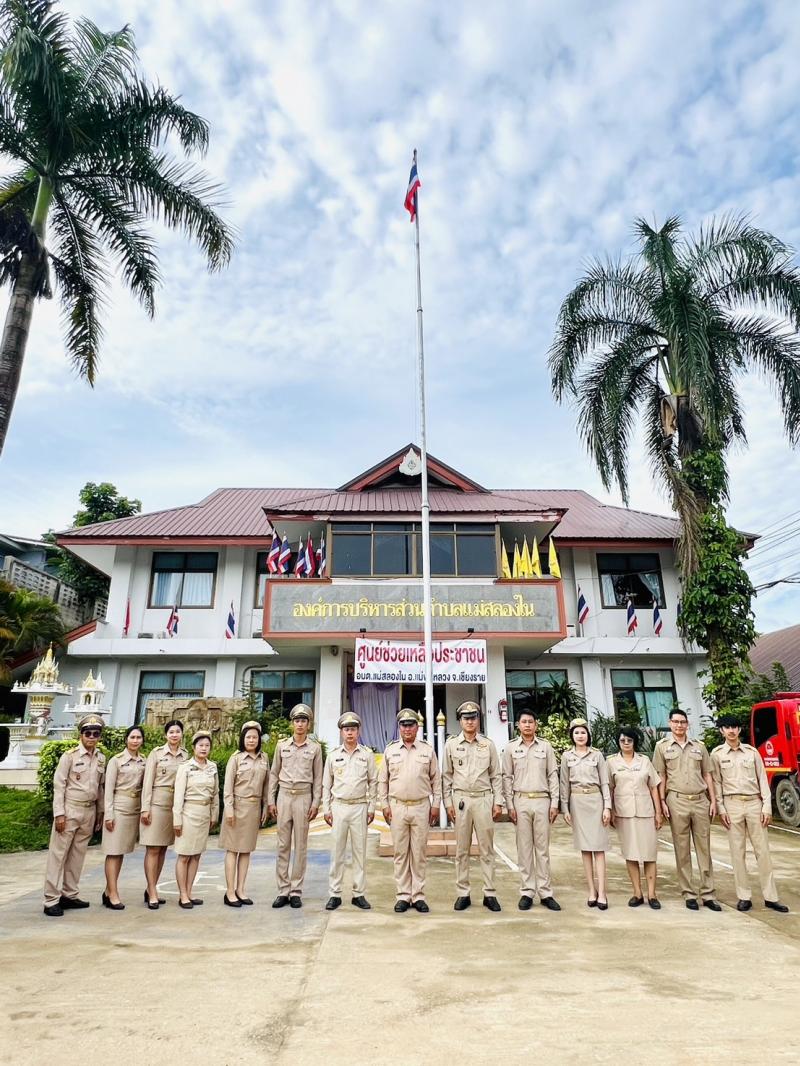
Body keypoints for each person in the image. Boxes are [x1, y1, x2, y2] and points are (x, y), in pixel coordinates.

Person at [711, 714, 789, 913]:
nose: (731, 731)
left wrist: (766, 806)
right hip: (732, 805)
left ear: (739, 730)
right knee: (737, 853)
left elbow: (762, 779)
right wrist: (721, 808)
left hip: (754, 803)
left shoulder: (752, 752)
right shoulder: (717, 754)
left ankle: (771, 897)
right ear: (721, 731)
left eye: (734, 727)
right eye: (727, 727)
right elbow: (717, 783)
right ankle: (744, 896)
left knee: (763, 852)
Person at [653, 708, 721, 911]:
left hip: (700, 800)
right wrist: (662, 801)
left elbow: (707, 774)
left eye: (682, 722)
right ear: (670, 723)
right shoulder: (662, 747)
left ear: (687, 724)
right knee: (682, 849)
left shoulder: (699, 746)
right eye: (675, 722)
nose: (679, 725)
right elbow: (661, 776)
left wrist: (713, 800)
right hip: (677, 800)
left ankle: (708, 893)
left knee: (704, 848)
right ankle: (689, 893)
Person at [378, 708, 441, 913]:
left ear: (416, 727)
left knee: (419, 853)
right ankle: (403, 895)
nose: (407, 729)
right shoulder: (390, 750)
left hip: (421, 807)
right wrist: (384, 805)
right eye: (403, 725)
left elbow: (436, 780)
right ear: (399, 728)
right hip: (397, 807)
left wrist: (436, 805)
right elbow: (382, 781)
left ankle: (418, 895)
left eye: (411, 725)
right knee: (400, 853)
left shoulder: (427, 750)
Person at [43, 713, 106, 917]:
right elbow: (59, 786)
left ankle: (69, 895)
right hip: (70, 809)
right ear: (81, 734)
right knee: (58, 855)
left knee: (77, 856)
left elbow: (100, 787)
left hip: (89, 810)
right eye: (88, 733)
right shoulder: (69, 756)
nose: (92, 737)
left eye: (96, 733)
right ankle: (51, 899)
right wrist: (59, 814)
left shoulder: (101, 758)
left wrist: (100, 812)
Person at [443, 701, 503, 912]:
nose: (470, 721)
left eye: (473, 717)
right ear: (460, 721)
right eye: (466, 718)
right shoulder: (451, 745)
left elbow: (496, 776)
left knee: (487, 849)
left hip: (484, 799)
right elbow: (446, 776)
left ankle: (490, 893)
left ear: (478, 720)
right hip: (461, 801)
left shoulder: (488, 744)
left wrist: (498, 802)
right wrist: (448, 803)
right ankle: (463, 893)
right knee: (462, 850)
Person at [501, 709, 561, 911]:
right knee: (524, 849)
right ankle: (527, 891)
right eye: (524, 721)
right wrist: (509, 805)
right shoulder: (511, 748)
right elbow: (506, 777)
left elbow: (552, 775)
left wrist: (555, 803)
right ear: (518, 725)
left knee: (542, 850)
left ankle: (545, 892)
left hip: (542, 801)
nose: (527, 725)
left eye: (530, 721)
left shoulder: (546, 747)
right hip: (521, 801)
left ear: (536, 725)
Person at [268, 704, 323, 908]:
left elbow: (318, 778)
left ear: (309, 724)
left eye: (303, 721)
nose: (300, 724)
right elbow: (274, 773)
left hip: (303, 797)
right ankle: (283, 890)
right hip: (284, 796)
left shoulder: (315, 748)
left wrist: (316, 802)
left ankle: (296, 891)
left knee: (300, 846)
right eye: (297, 721)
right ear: (292, 723)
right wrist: (271, 800)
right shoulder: (281, 746)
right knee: (282, 845)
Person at [323, 711, 378, 911]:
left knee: (359, 853)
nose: (350, 733)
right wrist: (326, 808)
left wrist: (372, 807)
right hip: (339, 806)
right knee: (337, 852)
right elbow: (326, 784)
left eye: (353, 729)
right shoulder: (333, 755)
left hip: (359, 807)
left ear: (358, 731)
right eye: (346, 729)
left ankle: (358, 894)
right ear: (341, 732)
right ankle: (335, 894)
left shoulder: (367, 754)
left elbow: (373, 782)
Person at [607, 727, 662, 909]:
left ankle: (652, 894)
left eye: (629, 740)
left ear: (635, 742)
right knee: (630, 853)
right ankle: (637, 893)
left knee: (649, 853)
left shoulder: (644, 761)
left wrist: (658, 812)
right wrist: (611, 810)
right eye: (622, 740)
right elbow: (610, 788)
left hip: (646, 811)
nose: (626, 743)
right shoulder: (611, 762)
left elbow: (653, 787)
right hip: (624, 813)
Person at [560, 718, 611, 909]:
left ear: (588, 735)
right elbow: (564, 783)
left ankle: (602, 892)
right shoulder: (567, 756)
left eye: (583, 732)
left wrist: (607, 806)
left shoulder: (596, 755)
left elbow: (605, 782)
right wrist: (565, 808)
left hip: (596, 801)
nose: (580, 736)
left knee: (599, 848)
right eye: (576, 733)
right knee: (585, 849)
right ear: (571, 736)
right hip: (577, 802)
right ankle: (591, 891)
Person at [220, 720, 270, 907]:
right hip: (237, 808)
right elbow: (228, 787)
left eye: (255, 737)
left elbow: (266, 786)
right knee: (233, 850)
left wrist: (265, 807)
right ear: (243, 738)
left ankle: (241, 890)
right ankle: (230, 892)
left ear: (259, 739)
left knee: (246, 850)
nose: (251, 740)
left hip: (253, 808)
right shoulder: (236, 758)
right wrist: (229, 810)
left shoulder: (264, 758)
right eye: (248, 737)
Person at [140, 719, 188, 909]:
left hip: (174, 806)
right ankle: (152, 891)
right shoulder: (156, 754)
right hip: (157, 804)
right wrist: (145, 807)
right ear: (166, 735)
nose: (174, 735)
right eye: (171, 732)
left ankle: (151, 887)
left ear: (182, 734)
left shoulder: (185, 755)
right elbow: (147, 782)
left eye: (177, 731)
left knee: (162, 849)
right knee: (153, 849)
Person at [172, 730, 219, 909]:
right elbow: (178, 795)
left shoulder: (212, 767)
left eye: (207, 745)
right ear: (194, 747)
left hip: (204, 814)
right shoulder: (185, 767)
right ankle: (182, 894)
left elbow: (215, 793)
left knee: (196, 855)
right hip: (188, 814)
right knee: (184, 855)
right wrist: (177, 819)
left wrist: (214, 814)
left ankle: (189, 892)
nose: (204, 748)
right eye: (200, 745)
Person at [101, 724, 146, 910]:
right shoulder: (116, 761)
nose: (135, 741)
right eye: (132, 737)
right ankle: (113, 893)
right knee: (113, 851)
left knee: (121, 852)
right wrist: (108, 814)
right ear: (126, 739)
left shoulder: (144, 761)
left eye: (138, 737)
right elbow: (108, 789)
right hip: (118, 809)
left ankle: (108, 890)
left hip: (134, 809)